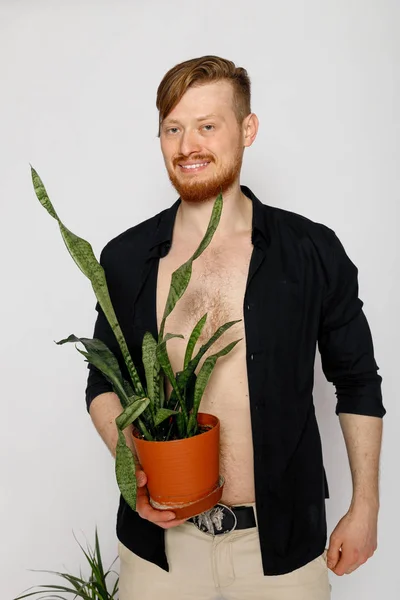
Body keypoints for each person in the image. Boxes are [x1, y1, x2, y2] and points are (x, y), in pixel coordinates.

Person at [85, 56, 385, 599]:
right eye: (172, 128)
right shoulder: (127, 258)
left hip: (280, 550)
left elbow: (358, 379)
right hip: (161, 552)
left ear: (247, 130)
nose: (187, 145)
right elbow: (103, 381)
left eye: (207, 125)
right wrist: (134, 470)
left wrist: (365, 506)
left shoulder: (310, 251)